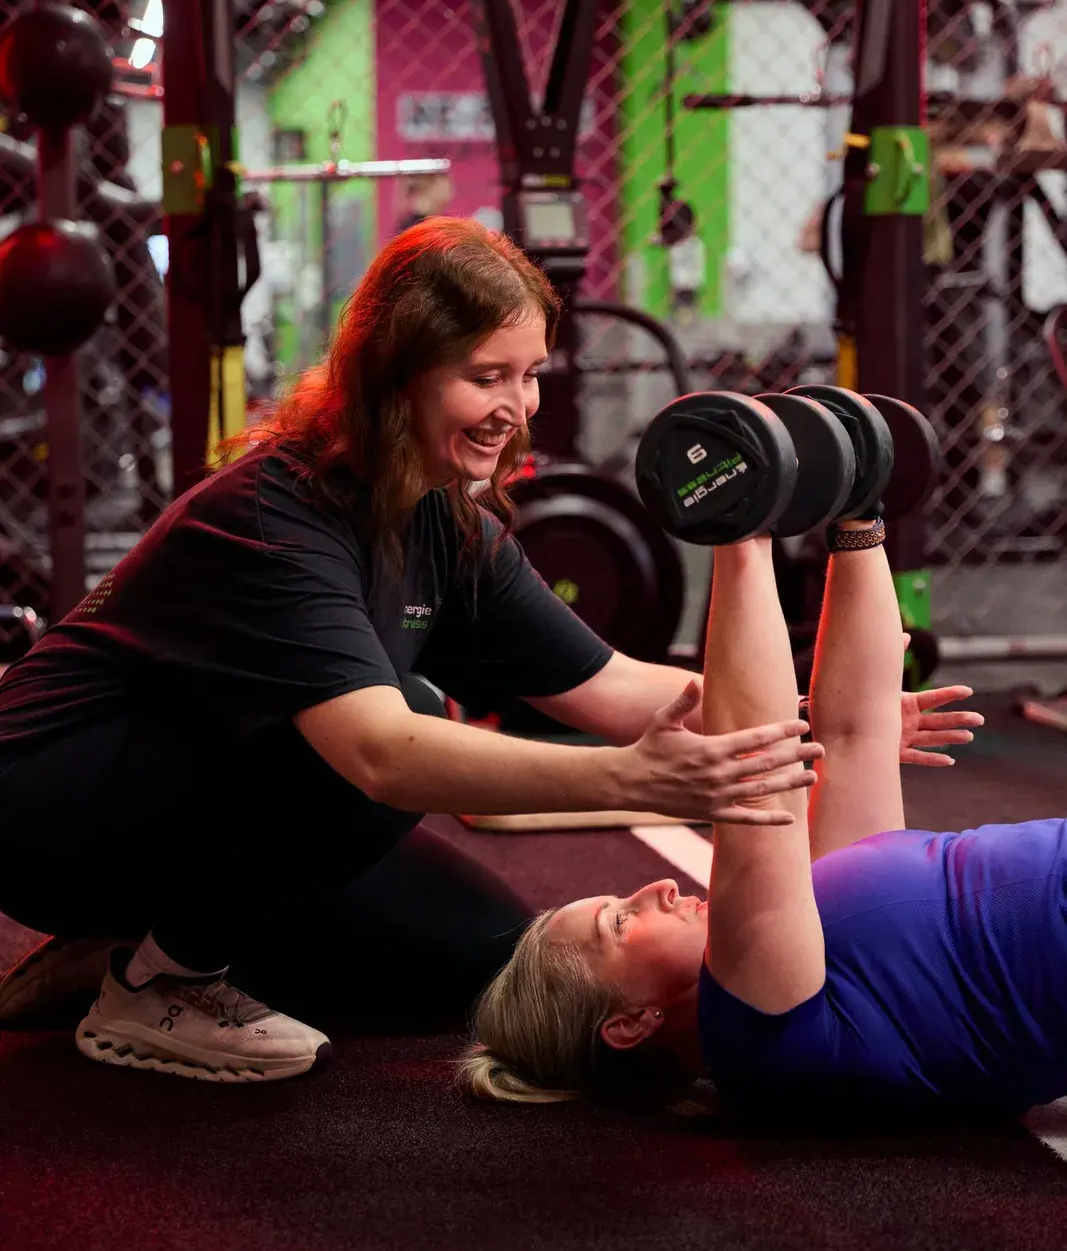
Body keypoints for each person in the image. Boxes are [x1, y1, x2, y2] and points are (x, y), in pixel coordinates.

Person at [0, 217, 841, 1086]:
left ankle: (116, 948)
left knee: (479, 955)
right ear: (394, 375)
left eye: (528, 374)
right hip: (44, 809)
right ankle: (157, 982)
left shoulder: (442, 518)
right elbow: (382, 754)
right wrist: (630, 779)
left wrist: (821, 724)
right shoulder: (275, 519)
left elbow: (615, 687)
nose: (516, 407)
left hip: (204, 795)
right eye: (486, 377)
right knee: (411, 711)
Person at [454, 495, 1067, 1130]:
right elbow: (758, 765)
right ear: (632, 1023)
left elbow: (853, 733)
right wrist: (739, 524)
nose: (657, 889)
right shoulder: (759, 1039)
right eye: (620, 922)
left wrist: (858, 516)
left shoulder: (809, 966)